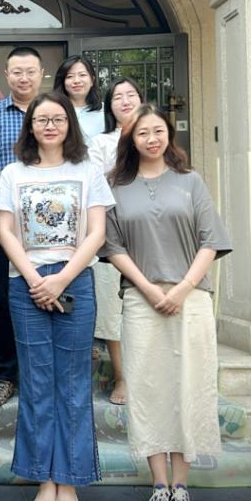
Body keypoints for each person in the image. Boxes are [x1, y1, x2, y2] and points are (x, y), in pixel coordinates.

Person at [100, 104, 231, 501]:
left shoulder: (191, 181)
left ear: (169, 135)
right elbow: (113, 247)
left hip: (191, 299)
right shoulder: (115, 186)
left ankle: (181, 486)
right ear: (131, 139)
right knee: (149, 388)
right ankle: (159, 485)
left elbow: (210, 241)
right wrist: (149, 288)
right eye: (142, 133)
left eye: (158, 131)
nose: (151, 139)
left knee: (189, 386)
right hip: (142, 300)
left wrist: (183, 288)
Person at [0, 92, 112, 501]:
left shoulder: (87, 170)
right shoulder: (13, 172)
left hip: (75, 279)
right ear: (30, 126)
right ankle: (44, 477)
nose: (49, 126)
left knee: (74, 383)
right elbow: (5, 232)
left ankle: (69, 479)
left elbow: (97, 232)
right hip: (26, 282)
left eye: (57, 119)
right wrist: (35, 279)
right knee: (37, 381)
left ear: (69, 125)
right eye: (41, 119)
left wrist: (61, 279)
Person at [0, 46, 45, 406]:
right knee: (3, 298)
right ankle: (5, 373)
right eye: (17, 72)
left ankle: (38, 371)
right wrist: (5, 207)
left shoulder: (55, 114)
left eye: (30, 71)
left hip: (47, 225)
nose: (24, 78)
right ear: (7, 75)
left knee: (43, 293)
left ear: (42, 74)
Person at [88, 77, 143, 405]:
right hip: (112, 231)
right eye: (117, 97)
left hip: (150, 234)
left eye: (130, 94)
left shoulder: (154, 136)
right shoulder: (101, 142)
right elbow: (98, 184)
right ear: (109, 107)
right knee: (112, 307)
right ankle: (122, 377)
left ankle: (147, 378)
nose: (125, 101)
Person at [53, 55, 104, 143]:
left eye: (82, 75)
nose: (76, 81)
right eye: (70, 76)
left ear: (92, 80)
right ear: (63, 82)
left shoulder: (106, 111)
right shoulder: (54, 111)